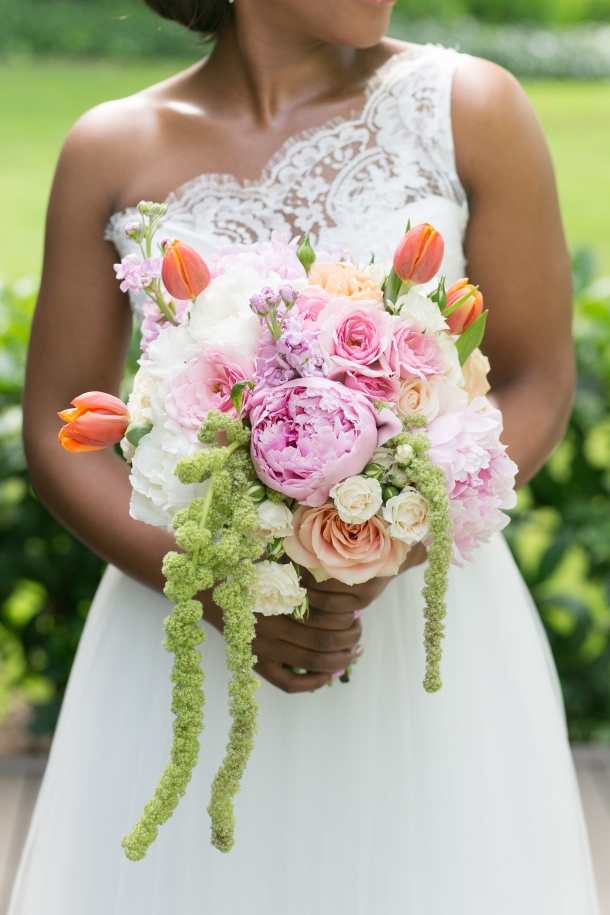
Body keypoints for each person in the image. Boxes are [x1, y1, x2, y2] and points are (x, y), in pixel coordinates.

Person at [9, 0, 600, 912]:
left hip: (422, 628)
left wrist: (381, 544)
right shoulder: (111, 150)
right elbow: (61, 435)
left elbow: (533, 380)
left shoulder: (471, 106)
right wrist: (214, 590)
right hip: (183, 632)